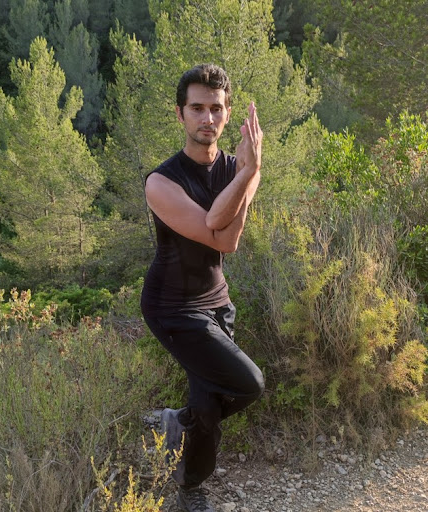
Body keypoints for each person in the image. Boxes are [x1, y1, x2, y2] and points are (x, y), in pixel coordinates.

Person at [141, 63, 265, 512]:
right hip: (171, 306)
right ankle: (191, 482)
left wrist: (246, 173)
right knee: (249, 383)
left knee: (209, 398)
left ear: (228, 114)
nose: (207, 118)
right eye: (197, 108)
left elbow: (229, 236)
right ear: (180, 114)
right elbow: (218, 230)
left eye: (216, 108)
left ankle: (181, 439)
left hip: (217, 301)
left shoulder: (239, 166)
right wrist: (248, 175)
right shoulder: (161, 182)